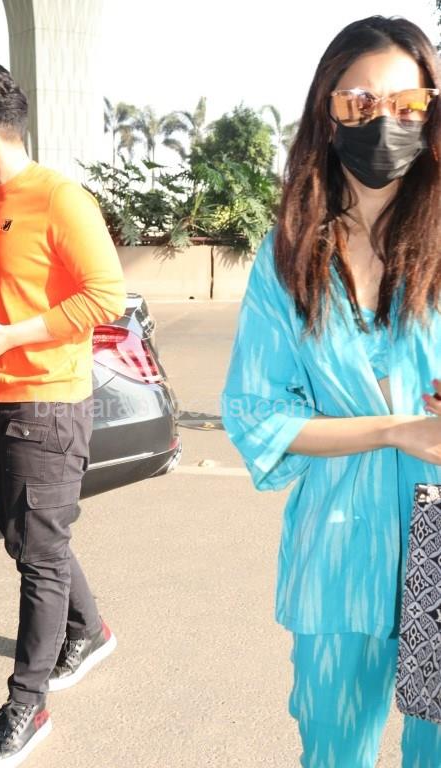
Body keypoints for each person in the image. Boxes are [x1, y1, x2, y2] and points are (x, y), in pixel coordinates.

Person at [221, 15, 441, 768]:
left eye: (408, 103)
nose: (385, 121)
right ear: (327, 111)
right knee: (334, 750)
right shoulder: (288, 254)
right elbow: (257, 411)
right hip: (338, 553)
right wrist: (395, 429)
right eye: (360, 102)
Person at [0, 62, 126, 767]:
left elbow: (105, 297)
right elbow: (9, 303)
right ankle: (91, 631)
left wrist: (9, 338)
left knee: (39, 559)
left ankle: (28, 702)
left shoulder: (59, 198)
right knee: (28, 540)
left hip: (48, 403)